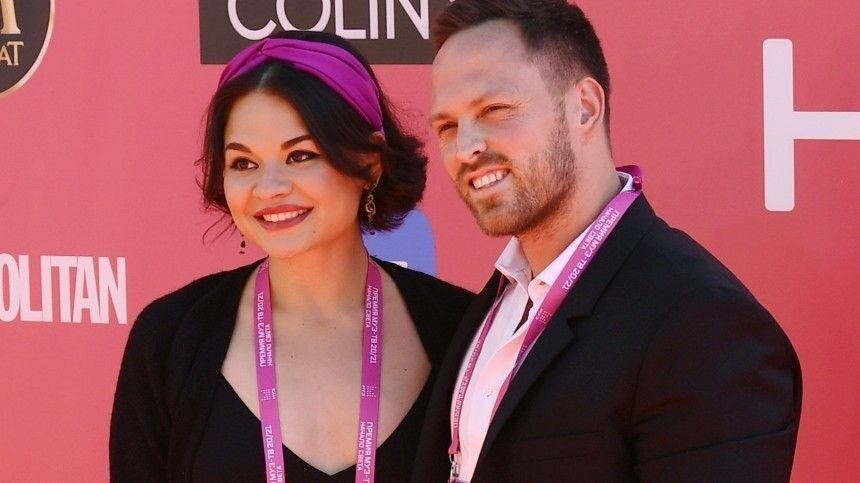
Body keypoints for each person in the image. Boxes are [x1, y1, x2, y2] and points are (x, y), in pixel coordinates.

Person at [413, 1, 802, 482]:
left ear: (585, 107)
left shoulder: (704, 324)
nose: (466, 147)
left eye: (495, 109)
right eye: (447, 126)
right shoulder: (493, 304)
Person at [110, 30, 473, 482]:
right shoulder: (169, 340)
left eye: (300, 155)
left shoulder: (463, 330)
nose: (269, 188)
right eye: (244, 163)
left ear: (369, 164)